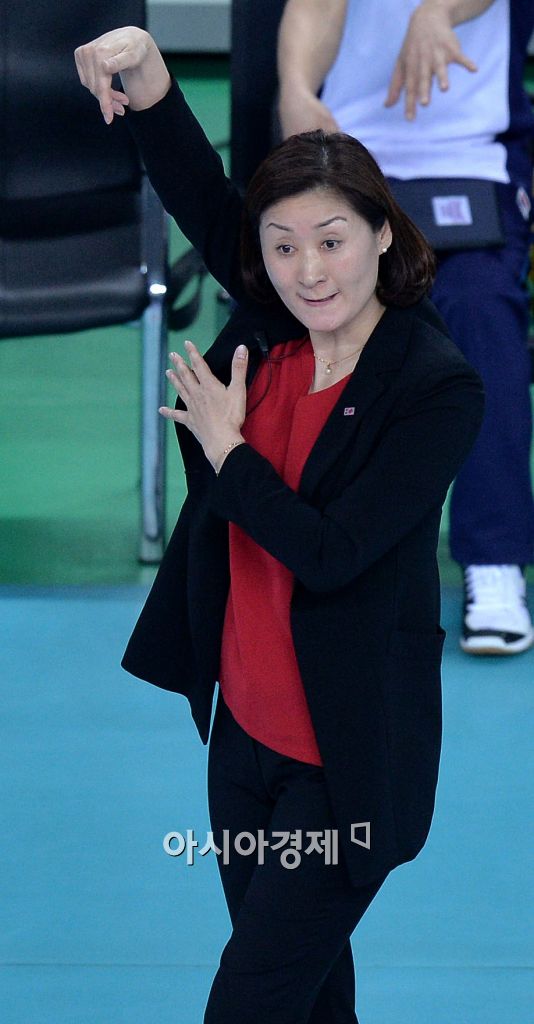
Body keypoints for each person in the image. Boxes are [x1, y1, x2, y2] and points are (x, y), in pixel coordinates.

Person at [75, 26, 484, 1024]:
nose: (308, 271)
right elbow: (201, 193)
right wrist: (148, 72)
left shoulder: (434, 388)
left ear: (382, 233)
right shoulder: (275, 322)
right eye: (282, 246)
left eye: (333, 240)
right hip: (243, 743)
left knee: (251, 1003)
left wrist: (230, 453)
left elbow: (334, 554)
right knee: (310, 996)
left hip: (340, 766)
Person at [278, 0, 534, 656]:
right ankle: (325, 546)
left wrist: (438, 10)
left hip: (475, 158)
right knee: (325, 304)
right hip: (354, 156)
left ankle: (494, 559)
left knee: (480, 306)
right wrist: (298, 89)